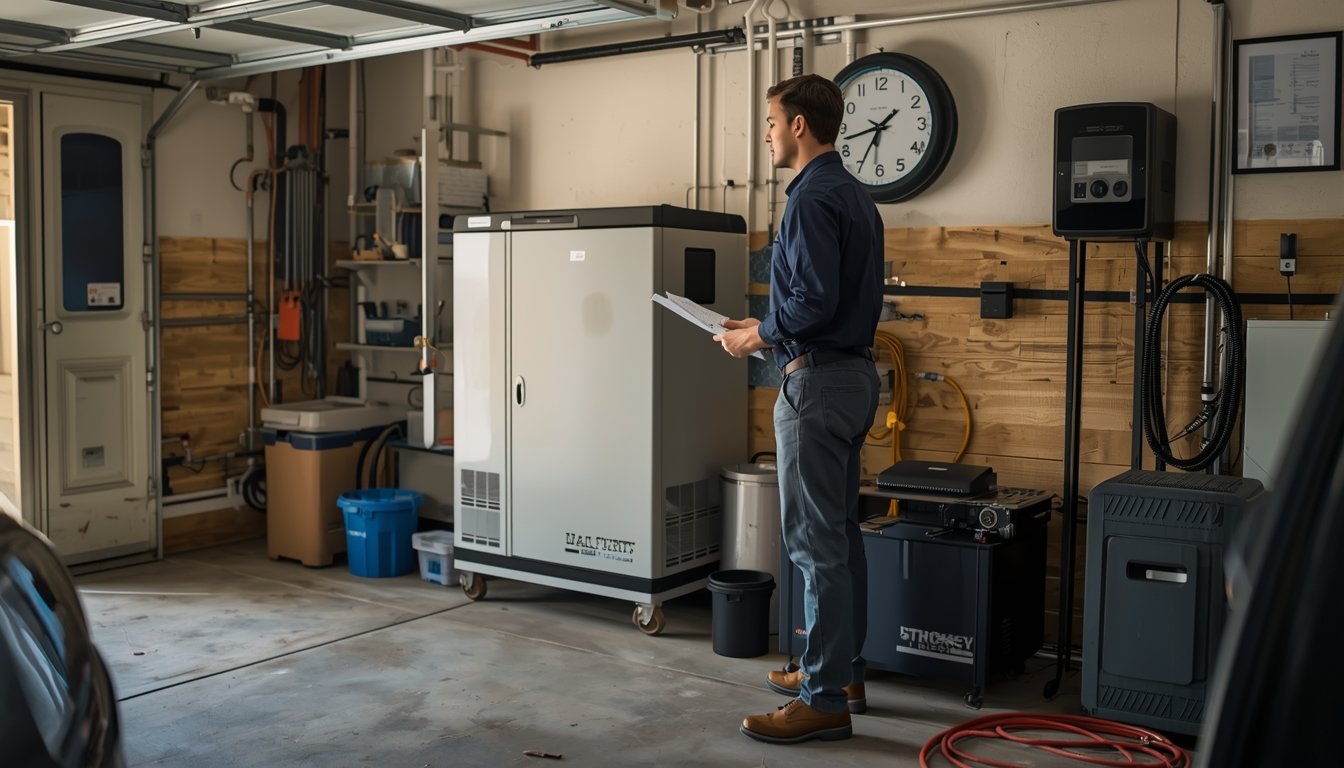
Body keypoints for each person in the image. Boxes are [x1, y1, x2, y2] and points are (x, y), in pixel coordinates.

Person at [714, 73, 883, 745]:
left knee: (815, 546)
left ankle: (822, 699)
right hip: (850, 379)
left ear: (800, 126)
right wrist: (759, 321)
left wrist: (756, 335)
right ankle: (841, 673)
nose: (767, 133)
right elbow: (823, 298)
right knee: (839, 538)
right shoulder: (853, 195)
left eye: (771, 121)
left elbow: (809, 305)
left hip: (814, 388)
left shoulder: (811, 198)